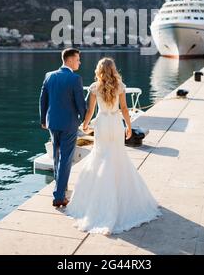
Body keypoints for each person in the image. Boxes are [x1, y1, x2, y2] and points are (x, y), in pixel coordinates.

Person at [66, 57, 161, 234]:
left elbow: (91, 110)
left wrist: (86, 125)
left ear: (99, 70)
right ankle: (120, 198)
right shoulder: (120, 85)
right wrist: (129, 127)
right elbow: (125, 108)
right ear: (113, 69)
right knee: (117, 157)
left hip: (102, 123)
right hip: (116, 123)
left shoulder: (95, 87)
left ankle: (99, 201)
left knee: (101, 157)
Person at [39, 48, 86, 207]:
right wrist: (85, 119)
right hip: (69, 124)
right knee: (66, 159)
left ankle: (60, 187)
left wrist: (43, 120)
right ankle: (59, 196)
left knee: (56, 157)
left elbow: (42, 100)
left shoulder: (48, 76)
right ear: (71, 60)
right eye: (78, 59)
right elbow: (81, 104)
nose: (79, 62)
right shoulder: (75, 79)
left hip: (52, 122)